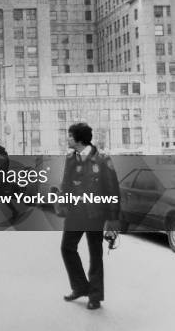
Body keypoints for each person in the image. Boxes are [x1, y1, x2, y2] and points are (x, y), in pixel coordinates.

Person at [60, 123, 120, 310]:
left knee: (95, 255)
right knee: (67, 248)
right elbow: (66, 183)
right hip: (75, 213)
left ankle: (95, 296)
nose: (67, 139)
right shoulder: (70, 158)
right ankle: (80, 287)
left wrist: (112, 219)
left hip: (95, 213)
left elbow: (112, 188)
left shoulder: (102, 159)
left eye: (70, 136)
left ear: (79, 139)